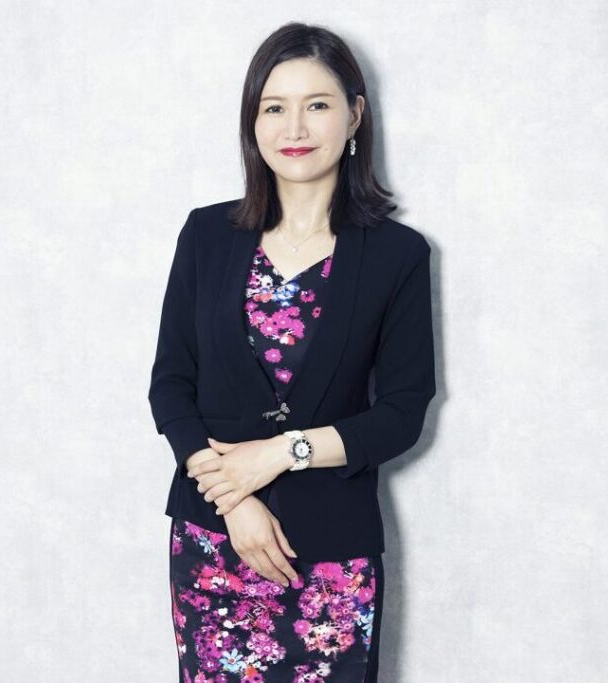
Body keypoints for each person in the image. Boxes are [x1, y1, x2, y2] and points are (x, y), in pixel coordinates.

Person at [148, 22, 437, 683]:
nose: (294, 127)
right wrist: (234, 501)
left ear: (354, 115)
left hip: (334, 559)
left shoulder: (397, 255)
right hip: (213, 545)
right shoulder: (206, 235)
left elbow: (400, 414)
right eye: (274, 107)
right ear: (252, 122)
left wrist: (281, 452)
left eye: (317, 104)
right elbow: (171, 385)